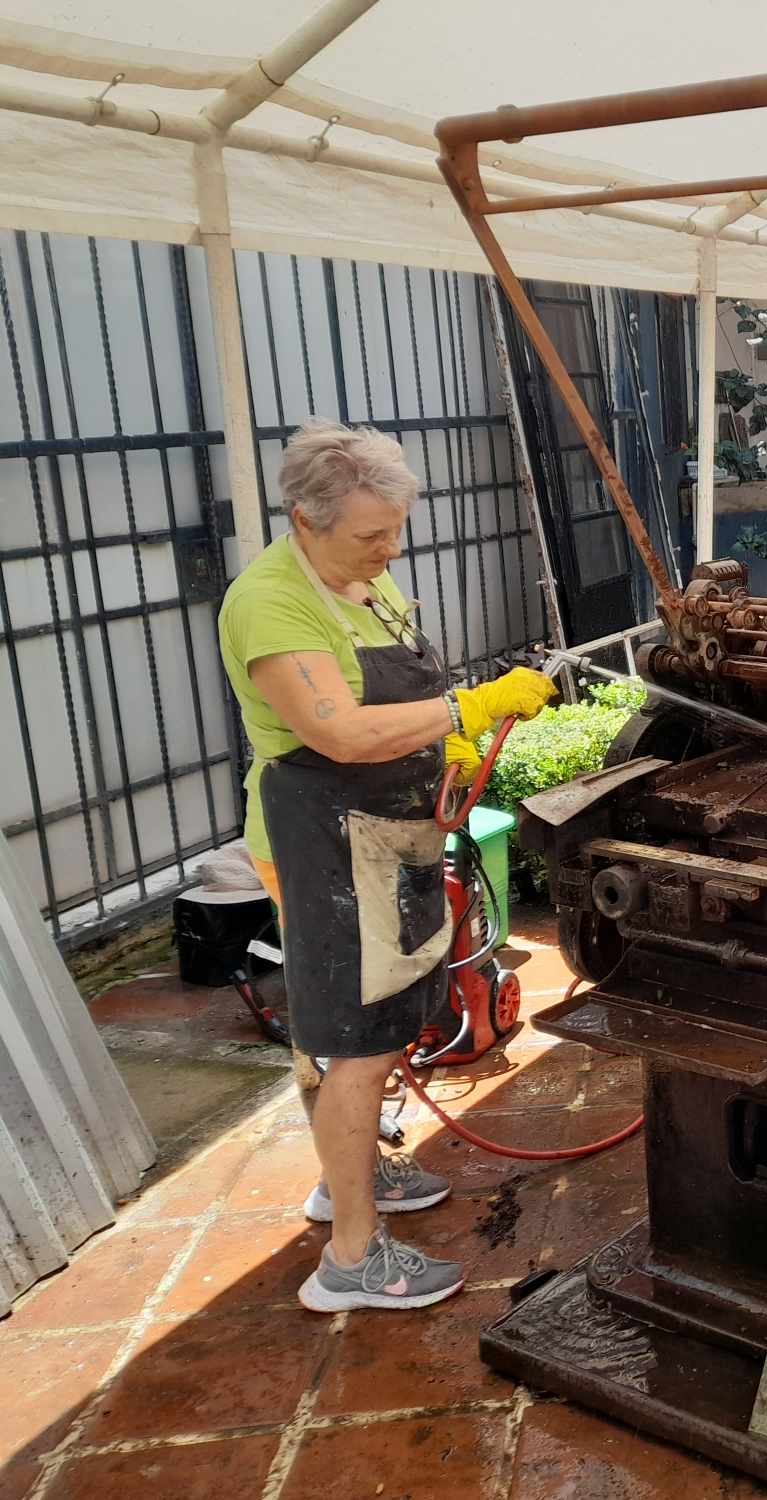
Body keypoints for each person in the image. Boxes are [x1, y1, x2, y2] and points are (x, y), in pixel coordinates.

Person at [219, 418, 557, 1311]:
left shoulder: (360, 575)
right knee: (354, 1041)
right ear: (304, 518)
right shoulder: (271, 603)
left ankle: (350, 1174)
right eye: (371, 535)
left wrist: (447, 739)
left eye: (393, 530)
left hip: (386, 826)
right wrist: (469, 707)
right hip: (320, 835)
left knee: (383, 1020)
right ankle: (352, 1257)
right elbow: (335, 730)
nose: (389, 548)